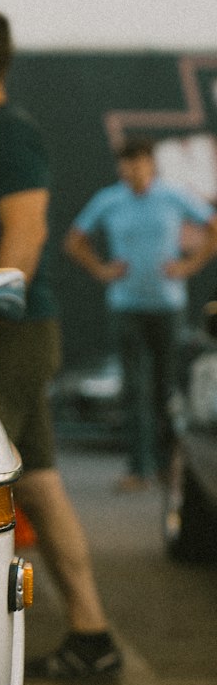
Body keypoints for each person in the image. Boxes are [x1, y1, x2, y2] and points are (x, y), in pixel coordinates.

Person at [0, 6, 122, 679]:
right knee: (37, 484)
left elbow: (26, 235)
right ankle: (92, 634)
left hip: (8, 336)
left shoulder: (11, 136)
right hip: (8, 332)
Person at [64, 137, 217, 491]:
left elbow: (212, 227)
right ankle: (139, 468)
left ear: (151, 164)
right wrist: (101, 270)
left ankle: (168, 465)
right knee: (135, 389)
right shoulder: (109, 199)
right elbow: (74, 240)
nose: (132, 169)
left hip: (167, 306)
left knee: (166, 387)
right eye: (126, 163)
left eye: (138, 162)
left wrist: (189, 265)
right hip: (126, 306)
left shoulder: (172, 196)